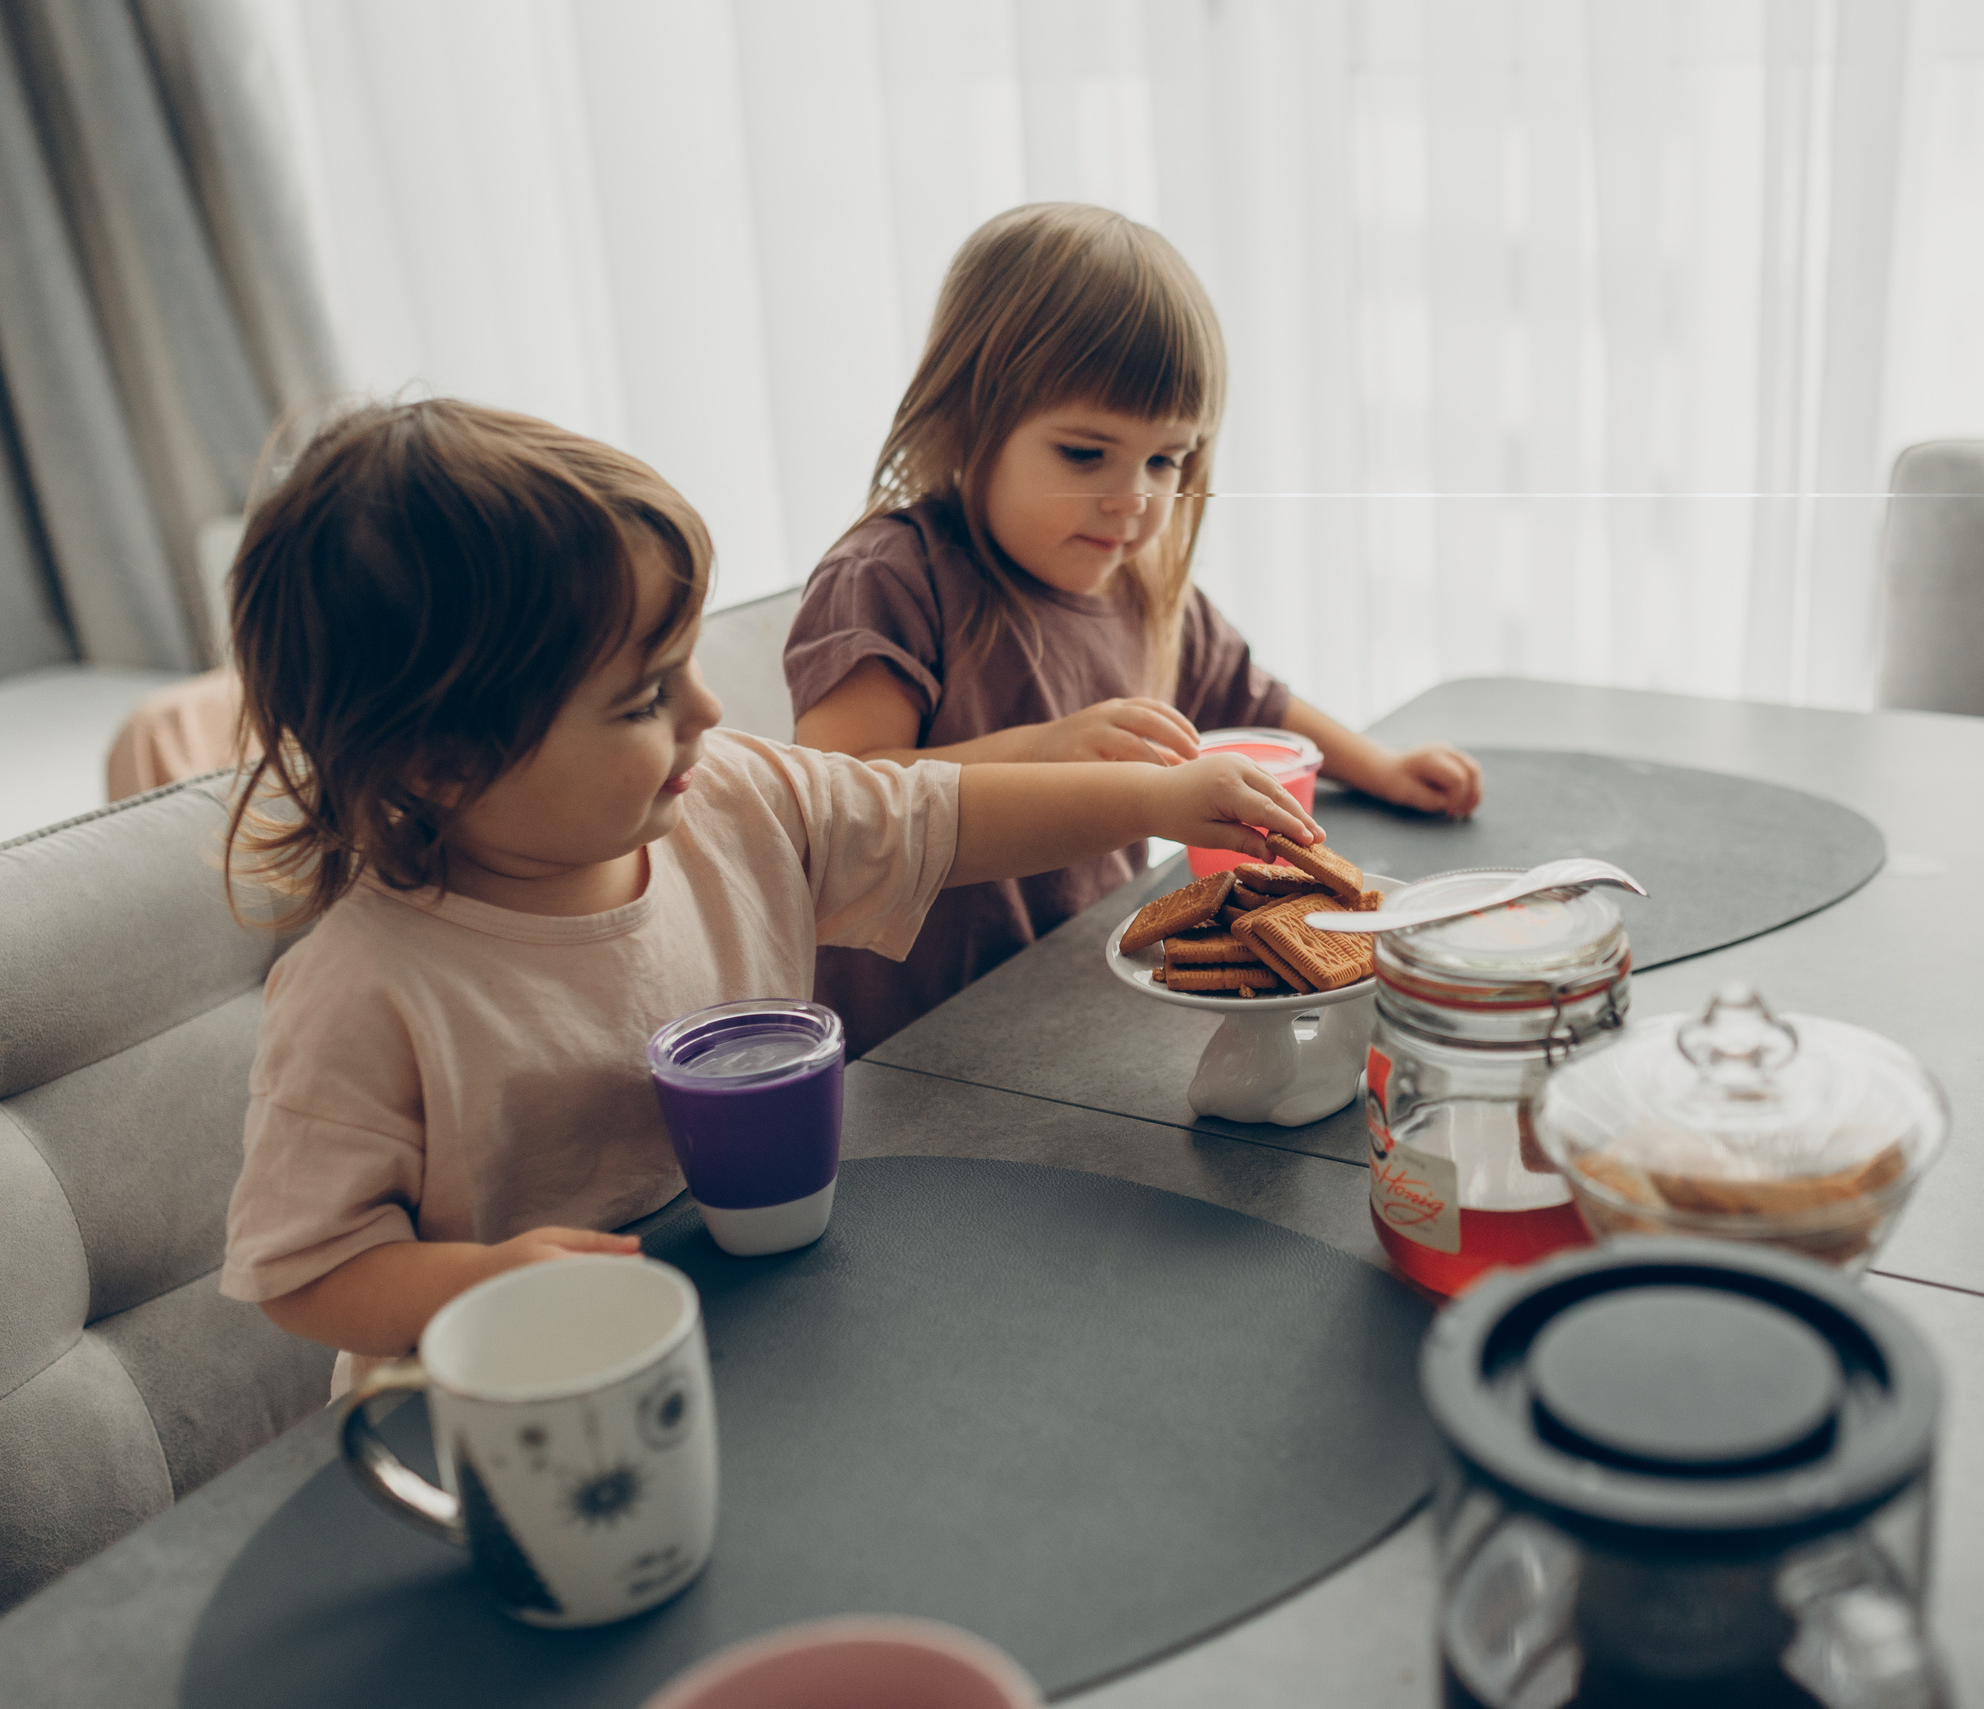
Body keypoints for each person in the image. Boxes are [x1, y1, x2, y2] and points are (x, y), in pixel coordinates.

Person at [217, 399, 1324, 1382]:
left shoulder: (739, 799)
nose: (707, 710)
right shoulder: (362, 986)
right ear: (443, 762)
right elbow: (303, 1268)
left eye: (688, 662)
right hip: (512, 1400)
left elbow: (948, 816)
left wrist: (1153, 799)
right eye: (644, 697)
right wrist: (480, 1281)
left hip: (759, 1323)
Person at [786, 203, 1484, 1053]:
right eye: (1086, 454)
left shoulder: (1139, 586)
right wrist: (1043, 748)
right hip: (918, 1051)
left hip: (1081, 1012)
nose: (1134, 499)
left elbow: (1254, 701)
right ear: (962, 420)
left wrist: (1382, 768)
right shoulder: (890, 579)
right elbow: (837, 802)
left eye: (1166, 459)